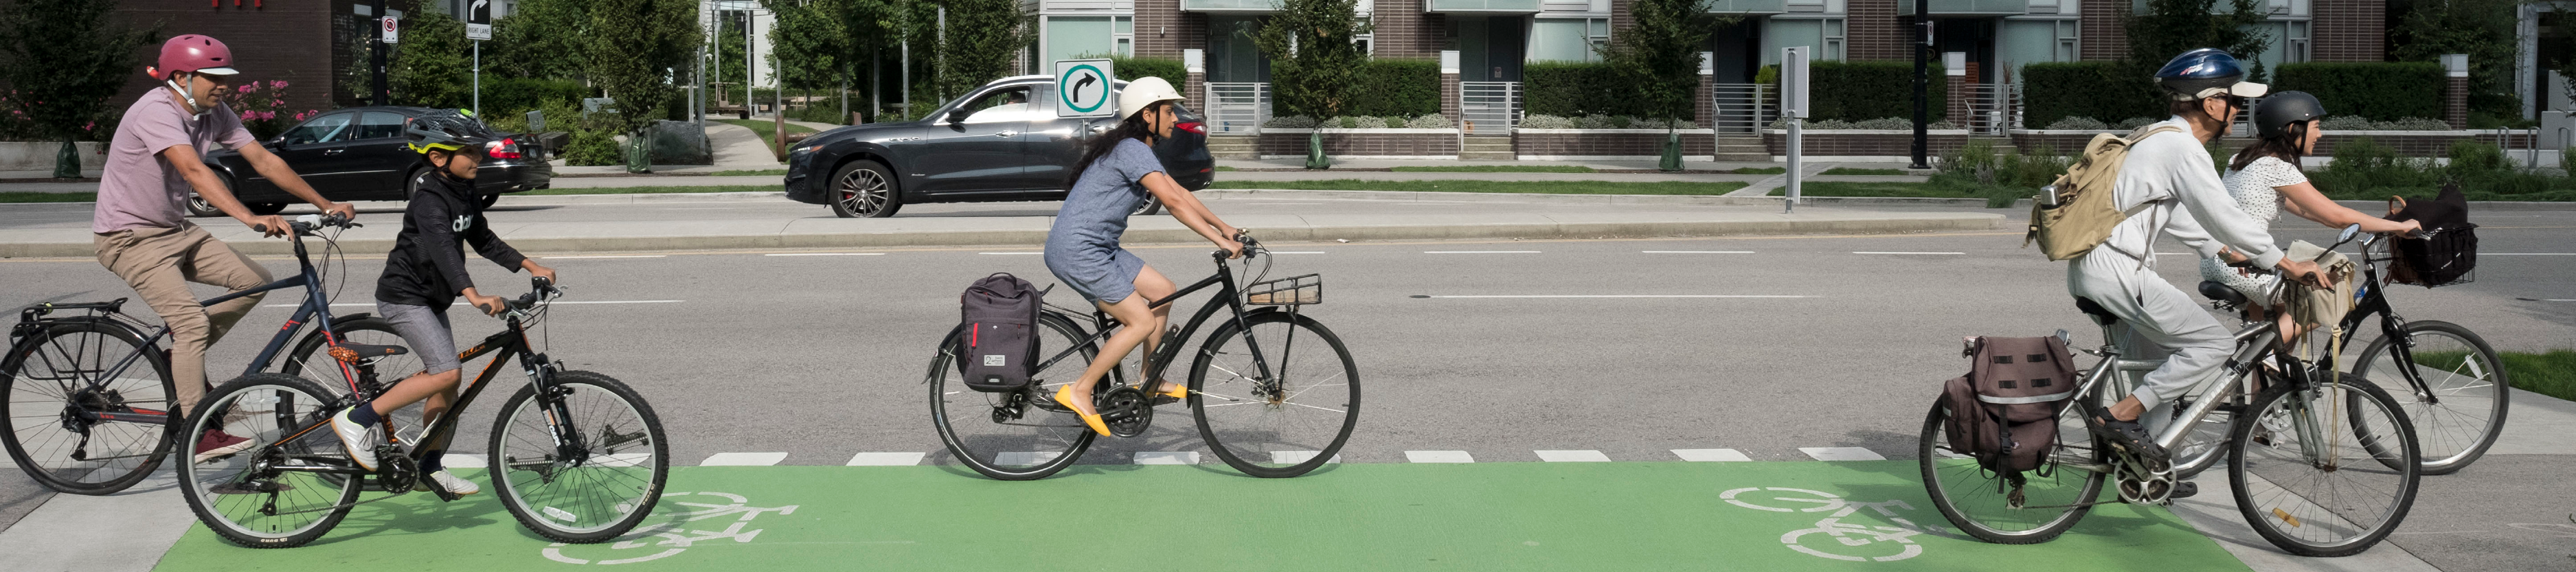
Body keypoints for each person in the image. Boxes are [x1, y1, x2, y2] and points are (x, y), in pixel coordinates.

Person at [93, 34, 355, 462]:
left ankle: (183, 360)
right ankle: (195, 433)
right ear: (181, 78)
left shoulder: (212, 112)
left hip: (173, 230)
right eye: (213, 78)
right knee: (192, 324)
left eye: (225, 78)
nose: (224, 86)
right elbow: (194, 170)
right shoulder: (155, 112)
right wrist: (248, 216)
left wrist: (325, 205)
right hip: (128, 237)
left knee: (254, 280)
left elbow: (264, 161)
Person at [2068, 49, 2328, 477]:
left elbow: (2180, 214)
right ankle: (2118, 415)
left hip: (2094, 269)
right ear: (2211, 104)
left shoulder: (2155, 138)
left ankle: (2145, 471)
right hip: (2117, 271)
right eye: (2236, 102)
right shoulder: (2182, 149)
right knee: (2217, 345)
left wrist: (2224, 252)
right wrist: (2283, 262)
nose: (2239, 112)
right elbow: (2222, 213)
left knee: (2160, 373)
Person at [328, 111, 555, 495]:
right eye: (470, 151)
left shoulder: (463, 190)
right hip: (404, 297)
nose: (479, 157)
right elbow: (444, 251)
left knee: (448, 384)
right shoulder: (430, 199)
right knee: (447, 373)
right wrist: (474, 296)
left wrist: (530, 265)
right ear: (438, 157)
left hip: (432, 298)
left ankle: (428, 466)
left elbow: (482, 239)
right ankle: (357, 419)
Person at [1042, 77, 1241, 436]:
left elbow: (1178, 191)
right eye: (1169, 111)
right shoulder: (1132, 150)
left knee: (1163, 290)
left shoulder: (1136, 148)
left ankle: (1150, 378)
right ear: (1147, 115)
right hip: (1078, 249)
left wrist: (1225, 227)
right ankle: (1081, 390)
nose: (1176, 119)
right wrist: (1218, 240)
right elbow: (1175, 204)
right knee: (1141, 322)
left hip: (1099, 247)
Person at [2203, 91, 2422, 340]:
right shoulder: (2276, 167)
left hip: (2221, 260)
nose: (2320, 135)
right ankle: (2245, 357)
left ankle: (2268, 369)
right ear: (2293, 128)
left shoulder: (2241, 159)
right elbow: (2335, 217)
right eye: (2316, 127)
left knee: (2272, 340)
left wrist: (2382, 223)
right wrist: (2400, 227)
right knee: (2328, 299)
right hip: (2243, 266)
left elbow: (2311, 210)